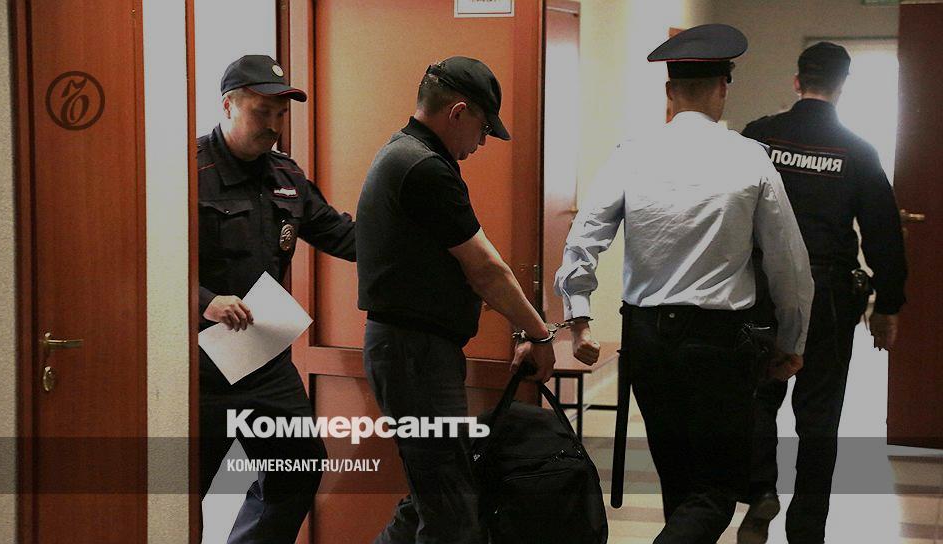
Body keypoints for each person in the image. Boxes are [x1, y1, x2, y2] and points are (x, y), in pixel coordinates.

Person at [555, 24, 814, 544]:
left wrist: (579, 315)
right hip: (718, 344)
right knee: (715, 492)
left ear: (669, 91)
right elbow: (789, 264)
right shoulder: (750, 157)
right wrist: (792, 340)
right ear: (723, 88)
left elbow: (585, 234)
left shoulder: (631, 153)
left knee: (679, 484)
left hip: (647, 341)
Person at [355, 56, 559, 543]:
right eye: (484, 128)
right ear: (458, 112)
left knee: (430, 499)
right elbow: (486, 268)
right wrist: (539, 334)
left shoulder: (405, 154)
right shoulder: (424, 167)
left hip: (411, 352)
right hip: (414, 355)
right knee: (450, 514)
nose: (482, 142)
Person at [738, 42, 908, 544]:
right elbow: (882, 232)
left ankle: (760, 490)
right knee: (820, 417)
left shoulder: (759, 137)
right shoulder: (857, 150)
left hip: (762, 290)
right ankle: (807, 528)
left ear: (797, 81)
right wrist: (888, 304)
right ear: (842, 86)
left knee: (758, 396)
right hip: (828, 294)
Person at [197, 54, 356, 543]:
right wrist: (203, 300)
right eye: (261, 112)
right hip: (200, 368)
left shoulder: (286, 175)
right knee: (187, 492)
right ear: (228, 105)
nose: (273, 126)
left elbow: (342, 235)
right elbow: (143, 263)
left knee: (297, 470)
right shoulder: (188, 171)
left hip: (264, 362)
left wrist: (420, 243)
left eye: (281, 114)